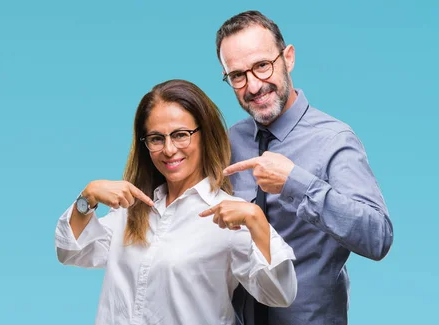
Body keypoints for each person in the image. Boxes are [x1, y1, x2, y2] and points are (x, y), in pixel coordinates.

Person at [55, 79, 297, 324]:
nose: (169, 149)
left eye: (181, 135)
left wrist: (257, 222)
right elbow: (72, 251)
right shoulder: (131, 210)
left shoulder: (228, 217)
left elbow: (280, 294)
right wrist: (87, 198)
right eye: (157, 139)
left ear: (205, 135)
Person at [209, 10, 394, 325]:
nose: (253, 86)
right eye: (238, 75)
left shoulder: (334, 139)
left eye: (262, 66)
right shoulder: (230, 141)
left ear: (288, 58)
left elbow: (378, 237)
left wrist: (295, 183)